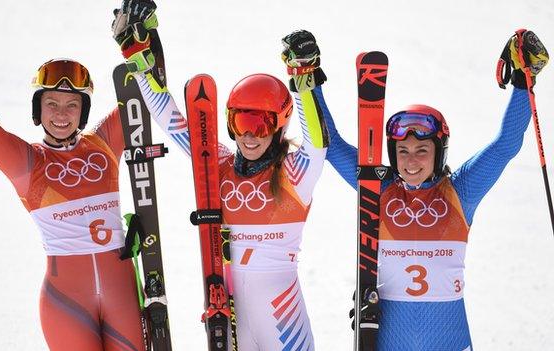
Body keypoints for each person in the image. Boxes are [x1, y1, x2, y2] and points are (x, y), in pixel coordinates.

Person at [112, 2, 330, 349]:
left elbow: (317, 146)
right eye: (240, 123)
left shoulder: (294, 173)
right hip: (229, 313)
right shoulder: (219, 164)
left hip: (283, 317)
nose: (249, 135)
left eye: (261, 124)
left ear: (279, 125)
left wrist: (303, 77)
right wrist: (137, 58)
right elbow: (174, 122)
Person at [0, 6, 148, 350]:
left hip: (122, 294)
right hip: (67, 305)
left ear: (84, 110)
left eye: (71, 105)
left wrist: (140, 35)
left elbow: (146, 92)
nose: (62, 114)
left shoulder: (104, 145)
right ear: (38, 109)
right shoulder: (27, 163)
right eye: (52, 103)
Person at [325, 30, 549, 350]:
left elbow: (505, 146)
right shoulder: (377, 189)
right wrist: (307, 78)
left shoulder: (460, 191)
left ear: (439, 151)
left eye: (422, 150)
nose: (411, 160)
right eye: (402, 151)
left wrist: (523, 82)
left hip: (450, 340)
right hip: (389, 339)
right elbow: (330, 145)